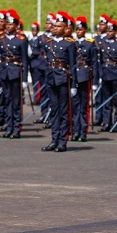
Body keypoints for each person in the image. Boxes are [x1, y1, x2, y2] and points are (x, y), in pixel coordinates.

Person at [41, 12, 77, 152]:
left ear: (65, 28)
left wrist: (74, 85)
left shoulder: (69, 44)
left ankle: (63, 141)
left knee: (63, 111)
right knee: (54, 110)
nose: (55, 28)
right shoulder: (48, 43)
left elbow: (73, 65)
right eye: (54, 26)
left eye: (58, 26)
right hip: (51, 78)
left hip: (63, 79)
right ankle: (54, 140)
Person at [0, 11, 29, 139]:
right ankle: (9, 127)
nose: (8, 26)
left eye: (11, 24)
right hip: (4, 73)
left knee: (16, 102)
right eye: (7, 24)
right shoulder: (1, 39)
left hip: (16, 73)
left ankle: (16, 128)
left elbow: (25, 60)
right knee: (7, 100)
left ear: (16, 26)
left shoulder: (21, 41)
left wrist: (25, 78)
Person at [71, 16, 97, 142]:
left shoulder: (90, 44)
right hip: (74, 76)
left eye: (81, 29)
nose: (78, 31)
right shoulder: (72, 43)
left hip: (85, 75)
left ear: (85, 30)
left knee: (84, 105)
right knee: (75, 106)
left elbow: (94, 63)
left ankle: (83, 131)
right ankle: (76, 130)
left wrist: (95, 81)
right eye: (77, 29)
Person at [98, 19, 117, 132]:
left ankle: (116, 124)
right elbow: (99, 61)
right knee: (107, 101)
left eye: (111, 31)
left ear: (115, 32)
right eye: (108, 31)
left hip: (115, 74)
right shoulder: (102, 43)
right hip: (105, 73)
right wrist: (100, 75)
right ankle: (106, 123)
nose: (109, 33)